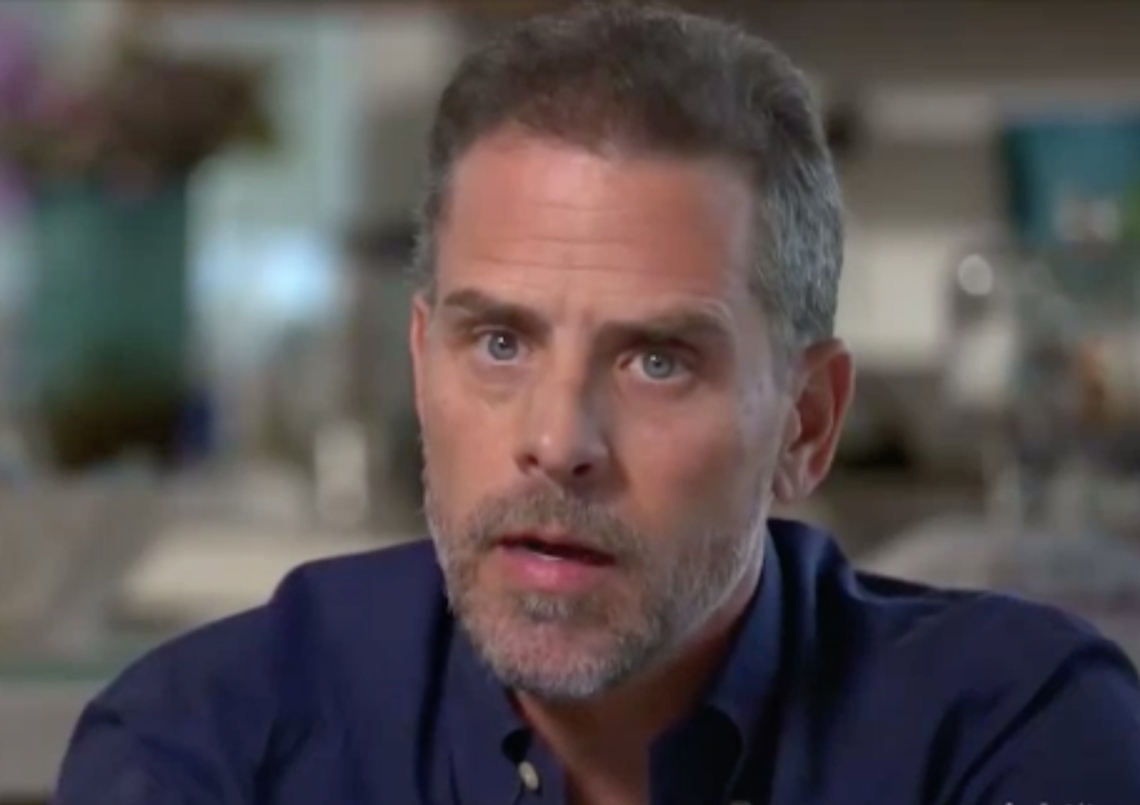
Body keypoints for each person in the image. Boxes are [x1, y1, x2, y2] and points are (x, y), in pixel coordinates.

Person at [54, 3, 1140, 804]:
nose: (556, 439)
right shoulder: (210, 747)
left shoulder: (1005, 738)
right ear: (423, 365)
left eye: (656, 361)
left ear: (805, 424)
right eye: (499, 343)